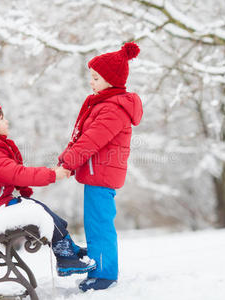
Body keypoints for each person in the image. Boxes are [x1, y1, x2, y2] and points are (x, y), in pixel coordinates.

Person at [0, 94, 95, 276]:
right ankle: (66, 257)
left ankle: (68, 249)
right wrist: (53, 174)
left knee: (42, 210)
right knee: (39, 211)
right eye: (1, 118)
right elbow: (17, 174)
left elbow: (13, 173)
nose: (7, 121)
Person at [58, 42, 143, 291]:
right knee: (95, 223)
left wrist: (68, 161)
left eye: (96, 78)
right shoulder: (104, 104)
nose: (92, 82)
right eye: (91, 77)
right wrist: (69, 159)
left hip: (101, 175)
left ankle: (104, 275)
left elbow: (90, 140)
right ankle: (99, 270)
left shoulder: (112, 109)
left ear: (111, 80)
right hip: (97, 174)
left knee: (99, 225)